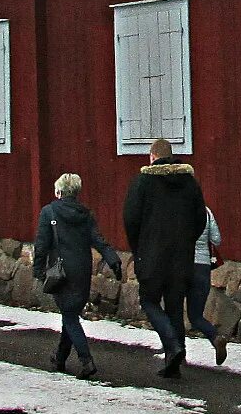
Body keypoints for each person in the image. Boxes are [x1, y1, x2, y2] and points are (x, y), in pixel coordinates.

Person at [123, 137, 207, 379]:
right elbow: (200, 218)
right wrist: (187, 240)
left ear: (152, 156)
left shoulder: (142, 183)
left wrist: (138, 247)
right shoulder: (189, 183)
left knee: (149, 301)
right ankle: (175, 361)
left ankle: (172, 346)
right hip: (182, 256)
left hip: (152, 255)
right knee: (174, 306)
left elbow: (130, 219)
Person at [33, 172, 120, 379]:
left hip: (60, 272)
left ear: (59, 191)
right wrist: (113, 259)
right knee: (69, 315)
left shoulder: (49, 212)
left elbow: (41, 245)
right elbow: (98, 240)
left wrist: (38, 270)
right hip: (82, 271)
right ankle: (60, 358)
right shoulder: (85, 214)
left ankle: (86, 360)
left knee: (70, 317)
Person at [188, 204, 229, 365]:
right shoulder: (206, 211)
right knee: (196, 316)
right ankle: (215, 337)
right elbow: (217, 239)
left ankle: (176, 351)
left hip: (183, 265)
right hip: (203, 267)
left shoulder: (178, 208)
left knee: (175, 310)